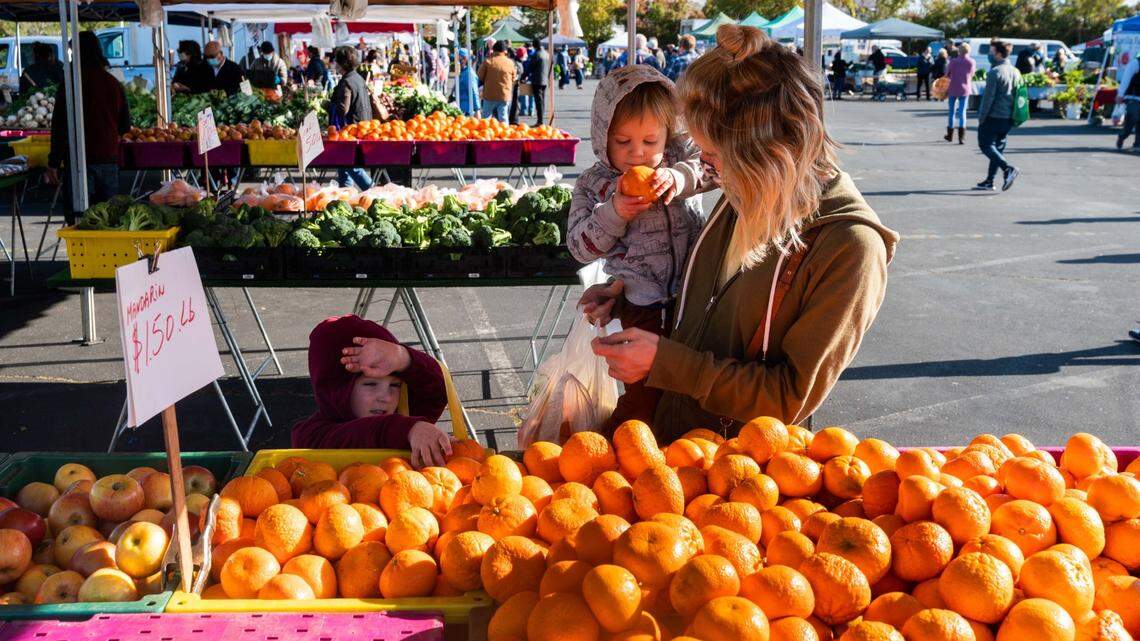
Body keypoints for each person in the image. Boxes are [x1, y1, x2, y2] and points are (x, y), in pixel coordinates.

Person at [584, 25, 897, 441]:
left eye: (712, 156)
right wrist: (631, 293)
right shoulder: (747, 194)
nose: (705, 169)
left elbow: (788, 398)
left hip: (740, 468)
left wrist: (667, 364)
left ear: (767, 154)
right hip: (673, 447)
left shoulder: (850, 247)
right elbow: (710, 308)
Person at [567, 64, 715, 431]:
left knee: (693, 389)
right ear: (603, 135)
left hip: (696, 298)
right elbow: (579, 246)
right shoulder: (594, 185)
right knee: (645, 393)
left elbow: (715, 168)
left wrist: (680, 177)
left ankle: (679, 444)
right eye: (623, 142)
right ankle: (627, 443)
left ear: (668, 133)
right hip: (640, 305)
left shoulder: (679, 161)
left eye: (650, 142)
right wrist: (614, 212)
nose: (637, 154)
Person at [292, 315, 453, 468]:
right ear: (336, 389)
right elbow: (361, 435)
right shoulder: (309, 436)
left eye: (395, 385)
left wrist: (404, 359)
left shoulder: (405, 413)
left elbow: (439, 391)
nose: (386, 398)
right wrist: (408, 429)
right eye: (370, 384)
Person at [47, 31, 130, 222]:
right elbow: (125, 126)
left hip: (80, 162)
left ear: (78, 53)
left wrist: (53, 162)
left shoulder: (71, 85)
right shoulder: (114, 84)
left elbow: (60, 126)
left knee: (80, 220)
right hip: (108, 160)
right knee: (108, 221)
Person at [975, 39, 1021, 192]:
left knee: (986, 145)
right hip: (1008, 117)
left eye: (991, 52)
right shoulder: (1015, 71)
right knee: (997, 149)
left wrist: (981, 118)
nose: (989, 54)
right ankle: (990, 181)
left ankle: (1007, 169)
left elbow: (988, 99)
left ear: (999, 54)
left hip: (993, 116)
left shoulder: (995, 72)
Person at [329, 47, 374, 191]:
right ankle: (346, 193)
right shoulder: (357, 77)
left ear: (341, 64)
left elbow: (343, 109)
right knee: (344, 163)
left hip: (353, 128)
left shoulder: (347, 82)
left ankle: (372, 191)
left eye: (337, 61)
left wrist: (327, 105)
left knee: (350, 164)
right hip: (363, 124)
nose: (335, 64)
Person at [477, 40, 515, 123]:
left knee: (486, 118)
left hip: (489, 95)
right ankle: (505, 131)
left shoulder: (488, 61)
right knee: (503, 118)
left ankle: (485, 131)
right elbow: (513, 78)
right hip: (504, 94)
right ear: (505, 51)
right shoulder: (510, 63)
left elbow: (480, 76)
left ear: (493, 50)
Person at [944, 42, 974, 143]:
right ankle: (961, 138)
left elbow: (947, 74)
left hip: (953, 87)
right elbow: (972, 74)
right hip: (965, 88)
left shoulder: (953, 61)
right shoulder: (971, 62)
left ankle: (950, 135)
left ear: (959, 51)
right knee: (962, 112)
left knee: (951, 111)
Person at [1114, 53, 1139, 151]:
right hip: (1134, 97)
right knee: (1132, 120)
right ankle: (1123, 136)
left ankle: (1137, 144)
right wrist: (1120, 94)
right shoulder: (1136, 63)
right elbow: (1126, 79)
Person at [526, 39, 551, 126]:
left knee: (538, 101)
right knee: (542, 100)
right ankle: (541, 119)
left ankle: (540, 121)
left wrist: (523, 76)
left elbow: (530, 68)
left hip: (537, 80)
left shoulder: (536, 54)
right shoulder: (547, 54)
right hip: (545, 80)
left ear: (534, 45)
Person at [456, 49, 480, 117]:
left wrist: (477, 109)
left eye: (460, 59)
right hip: (461, 107)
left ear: (465, 59)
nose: (458, 62)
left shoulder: (469, 73)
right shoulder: (462, 72)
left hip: (468, 110)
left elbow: (474, 91)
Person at [515, 48, 533, 117]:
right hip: (531, 78)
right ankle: (531, 110)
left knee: (524, 95)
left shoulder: (523, 58)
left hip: (524, 78)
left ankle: (524, 110)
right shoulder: (533, 55)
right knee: (531, 96)